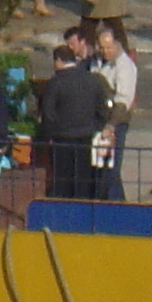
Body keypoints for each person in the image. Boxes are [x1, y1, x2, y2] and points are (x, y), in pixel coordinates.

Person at [36, 41, 112, 200]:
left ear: (59, 61)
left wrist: (48, 135)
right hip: (86, 138)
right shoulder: (93, 79)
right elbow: (103, 110)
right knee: (83, 179)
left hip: (61, 138)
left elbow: (48, 113)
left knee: (63, 182)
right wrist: (95, 126)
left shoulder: (55, 82)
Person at [93, 24, 139, 200]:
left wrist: (111, 126)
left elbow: (123, 101)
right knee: (103, 168)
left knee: (111, 170)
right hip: (98, 119)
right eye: (102, 47)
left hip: (115, 123)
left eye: (109, 47)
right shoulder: (96, 60)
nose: (105, 52)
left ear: (117, 44)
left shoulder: (125, 67)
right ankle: (117, 203)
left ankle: (116, 205)